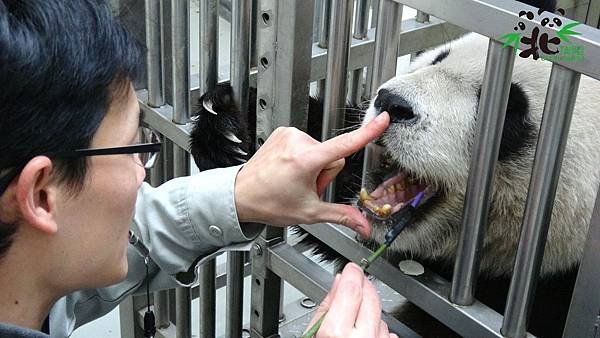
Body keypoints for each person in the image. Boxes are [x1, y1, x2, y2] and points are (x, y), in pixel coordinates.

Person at [0, 1, 397, 337]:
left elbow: (131, 236)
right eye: (133, 150)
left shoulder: (28, 276)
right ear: (40, 195)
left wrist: (238, 195)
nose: (142, 174)